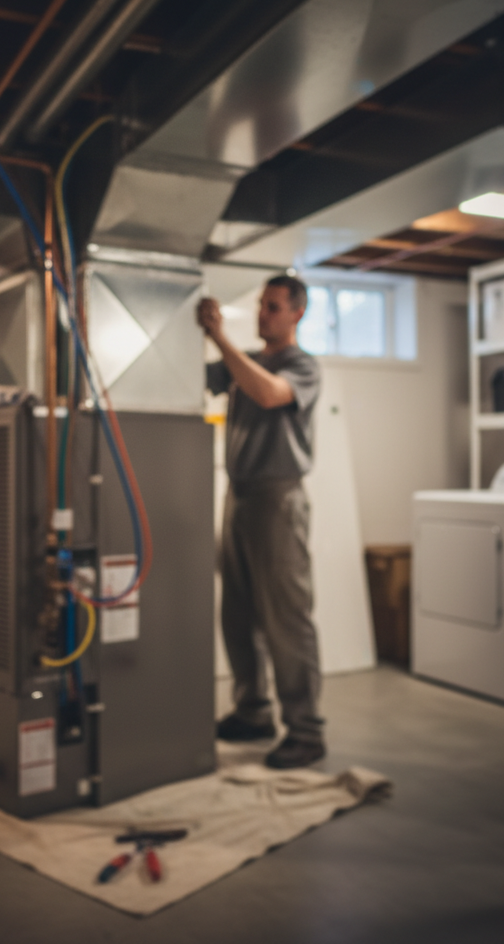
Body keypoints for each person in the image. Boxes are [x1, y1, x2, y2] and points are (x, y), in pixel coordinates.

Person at [197, 275, 325, 769]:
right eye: (260, 306)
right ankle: (253, 711)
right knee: (237, 614)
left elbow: (271, 395)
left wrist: (220, 339)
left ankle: (307, 730)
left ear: (296, 313)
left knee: (286, 618)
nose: (262, 315)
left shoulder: (300, 365)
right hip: (240, 495)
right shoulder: (243, 363)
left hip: (277, 498)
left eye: (273, 307)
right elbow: (187, 378)